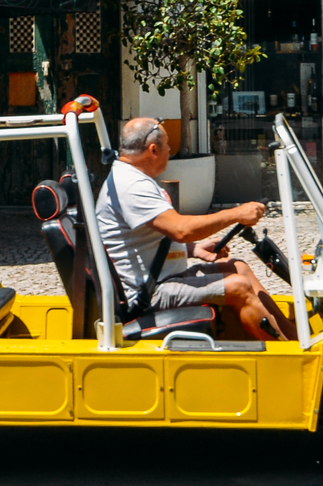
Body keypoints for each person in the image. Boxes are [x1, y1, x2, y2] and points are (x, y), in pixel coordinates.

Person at [93, 117, 295, 341]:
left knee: (239, 268)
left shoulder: (132, 177)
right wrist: (236, 214)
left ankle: (294, 339)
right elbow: (180, 229)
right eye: (167, 145)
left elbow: (151, 236)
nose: (170, 150)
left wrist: (192, 249)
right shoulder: (131, 185)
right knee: (239, 287)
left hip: (163, 278)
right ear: (153, 150)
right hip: (151, 293)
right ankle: (287, 358)